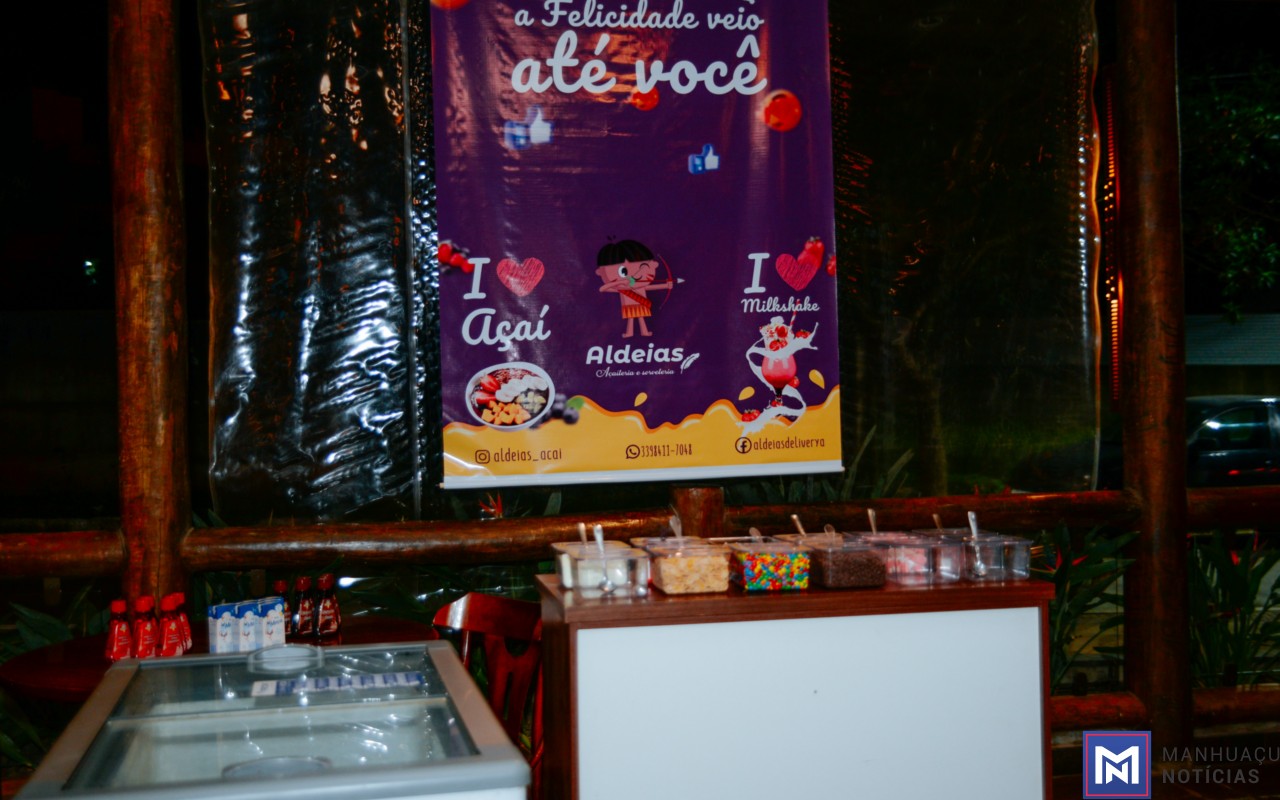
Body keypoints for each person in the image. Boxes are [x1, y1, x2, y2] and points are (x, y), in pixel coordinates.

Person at [594, 238, 675, 338]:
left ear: (654, 265)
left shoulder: (639, 286)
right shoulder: (622, 289)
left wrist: (666, 285)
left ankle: (645, 332)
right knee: (631, 319)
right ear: (600, 272)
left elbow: (650, 287)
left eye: (642, 267)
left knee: (641, 318)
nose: (633, 275)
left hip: (641, 303)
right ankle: (629, 333)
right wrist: (620, 282)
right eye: (623, 271)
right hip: (629, 305)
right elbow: (602, 289)